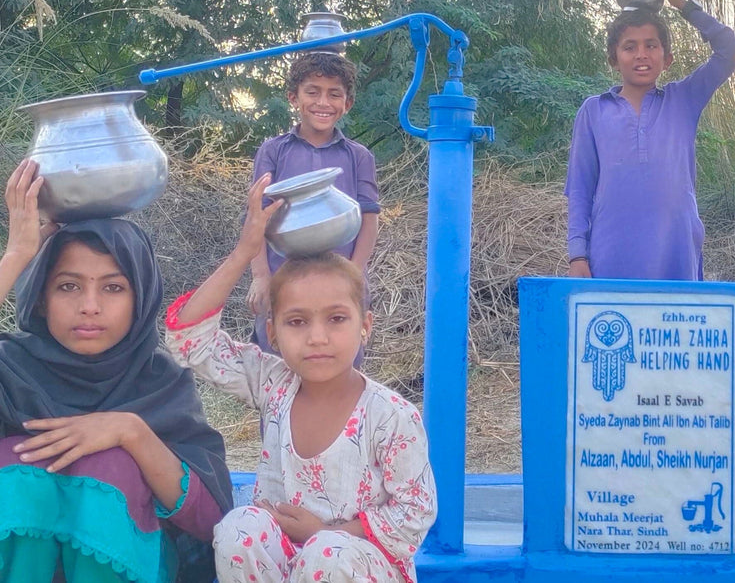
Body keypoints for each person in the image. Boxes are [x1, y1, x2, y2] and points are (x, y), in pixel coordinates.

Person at [166, 175, 436, 583]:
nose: (317, 337)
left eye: (336, 318)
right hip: (283, 564)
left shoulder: (390, 417)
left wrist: (324, 534)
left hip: (354, 562)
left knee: (326, 556)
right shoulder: (273, 384)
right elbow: (189, 341)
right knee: (240, 529)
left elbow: (414, 513)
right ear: (272, 333)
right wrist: (245, 252)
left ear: (365, 326)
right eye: (297, 321)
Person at [0, 160, 232, 583]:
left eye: (113, 287)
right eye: (68, 286)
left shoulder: (161, 381)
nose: (90, 305)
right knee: (15, 462)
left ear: (140, 297)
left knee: (111, 465)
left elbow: (210, 521)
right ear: (39, 298)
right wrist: (17, 255)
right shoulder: (10, 370)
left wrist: (131, 433)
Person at [565, 0, 735, 280]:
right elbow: (580, 189)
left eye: (651, 45)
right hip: (611, 255)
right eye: (629, 47)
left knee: (676, 328)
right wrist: (577, 256)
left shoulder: (684, 100)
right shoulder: (594, 111)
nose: (641, 55)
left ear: (668, 58)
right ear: (613, 57)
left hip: (676, 252)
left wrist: (679, 2)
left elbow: (731, 50)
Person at [249, 52, 380, 353]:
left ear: (347, 104)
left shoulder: (359, 157)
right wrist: (260, 277)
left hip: (339, 281)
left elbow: (369, 219)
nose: (323, 103)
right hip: (283, 280)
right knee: (278, 365)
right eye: (313, 92)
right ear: (293, 98)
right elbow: (257, 218)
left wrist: (354, 276)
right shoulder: (273, 151)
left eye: (334, 94)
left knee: (338, 360)